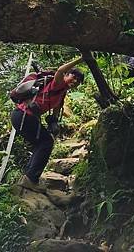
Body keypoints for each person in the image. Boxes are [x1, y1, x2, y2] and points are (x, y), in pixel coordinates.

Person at [11, 56, 84, 192]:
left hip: (22, 117)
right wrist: (81, 59)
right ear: (67, 76)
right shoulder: (58, 83)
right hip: (23, 115)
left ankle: (28, 178)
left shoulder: (61, 94)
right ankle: (31, 179)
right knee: (46, 143)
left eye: (78, 81)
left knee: (41, 143)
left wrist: (54, 122)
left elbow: (55, 113)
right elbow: (61, 70)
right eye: (73, 77)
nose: (75, 82)